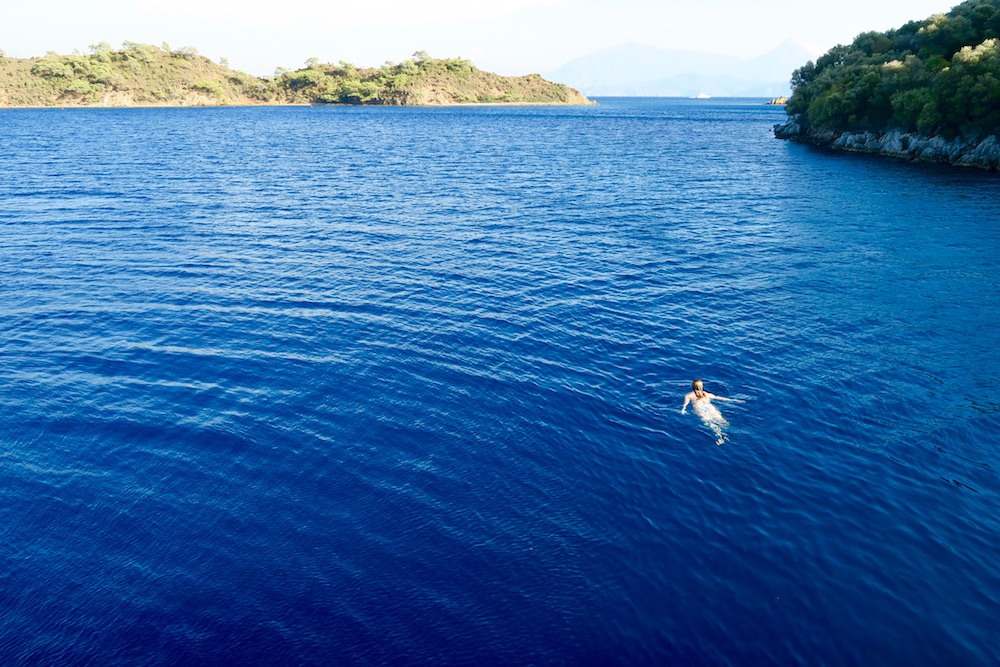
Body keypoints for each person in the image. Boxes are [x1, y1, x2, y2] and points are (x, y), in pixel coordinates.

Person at [681, 379, 741, 444]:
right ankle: (731, 434)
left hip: (700, 409)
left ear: (693, 386)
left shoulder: (689, 395)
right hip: (710, 407)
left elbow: (685, 404)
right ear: (701, 386)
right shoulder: (706, 394)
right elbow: (719, 398)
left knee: (711, 424)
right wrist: (735, 400)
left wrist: (683, 410)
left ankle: (720, 437)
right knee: (722, 421)